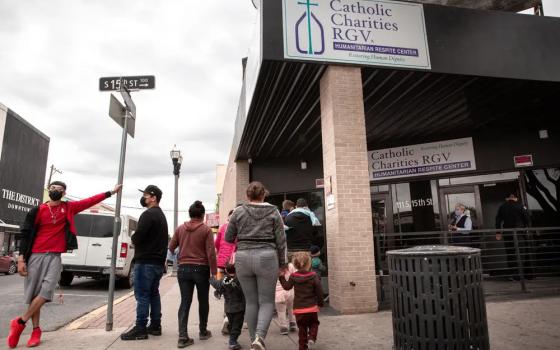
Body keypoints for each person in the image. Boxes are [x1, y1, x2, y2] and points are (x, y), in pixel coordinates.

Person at [8, 181, 121, 348]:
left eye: (59, 190)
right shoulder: (37, 210)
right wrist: (21, 259)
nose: (55, 191)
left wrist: (110, 192)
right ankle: (36, 331)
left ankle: (19, 322)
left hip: (54, 256)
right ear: (49, 190)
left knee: (46, 292)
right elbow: (25, 235)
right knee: (34, 295)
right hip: (35, 256)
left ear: (64, 193)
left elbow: (89, 201)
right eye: (53, 188)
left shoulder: (68, 208)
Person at [225, 181, 287, 350]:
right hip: (267, 257)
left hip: (243, 258)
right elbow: (281, 242)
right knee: (266, 302)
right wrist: (283, 264)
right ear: (263, 194)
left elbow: (229, 238)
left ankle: (254, 340)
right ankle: (259, 338)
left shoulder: (238, 212)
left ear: (247, 196)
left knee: (251, 302)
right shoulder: (274, 212)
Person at [121, 185, 168, 341]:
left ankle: (140, 328)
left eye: (146, 195)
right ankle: (155, 325)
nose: (144, 198)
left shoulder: (148, 215)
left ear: (153, 198)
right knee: (154, 294)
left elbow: (138, 236)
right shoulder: (161, 216)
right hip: (157, 263)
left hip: (145, 261)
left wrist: (134, 239)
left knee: (142, 295)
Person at [169, 200, 217, 348]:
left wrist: (182, 253)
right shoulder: (206, 230)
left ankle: (183, 336)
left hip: (183, 269)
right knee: (203, 301)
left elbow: (171, 248)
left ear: (190, 214)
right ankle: (203, 331)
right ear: (202, 215)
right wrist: (214, 272)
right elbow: (210, 253)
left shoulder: (180, 229)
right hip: (201, 269)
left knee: (185, 301)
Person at [279, 252, 324, 350]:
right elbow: (319, 291)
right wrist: (320, 303)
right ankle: (312, 337)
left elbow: (287, 287)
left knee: (302, 329)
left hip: (299, 309)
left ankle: (302, 347)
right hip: (311, 308)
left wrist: (281, 277)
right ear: (309, 263)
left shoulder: (293, 276)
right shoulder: (313, 275)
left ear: (295, 264)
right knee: (314, 323)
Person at [495, 193, 533, 280]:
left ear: (507, 198)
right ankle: (522, 275)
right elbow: (527, 218)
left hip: (508, 233)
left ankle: (514, 275)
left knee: (510, 253)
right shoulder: (520, 206)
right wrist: (528, 229)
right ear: (515, 198)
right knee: (521, 253)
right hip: (519, 233)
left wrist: (498, 232)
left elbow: (498, 220)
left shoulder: (502, 207)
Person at [210, 263, 245, 350]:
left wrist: (211, 278)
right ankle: (232, 342)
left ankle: (230, 329)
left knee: (232, 323)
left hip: (228, 308)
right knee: (237, 326)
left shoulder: (223, 280)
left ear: (226, 271)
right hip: (239, 308)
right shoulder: (240, 280)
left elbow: (216, 285)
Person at [214, 209, 236, 335]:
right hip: (234, 264)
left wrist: (221, 252)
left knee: (225, 287)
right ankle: (230, 318)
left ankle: (219, 289)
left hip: (222, 263)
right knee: (235, 291)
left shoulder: (222, 227)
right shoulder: (239, 227)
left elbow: (216, 243)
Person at [275, 263, 296, 335]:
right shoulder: (290, 265)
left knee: (281, 311)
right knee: (291, 308)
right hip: (290, 291)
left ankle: (284, 327)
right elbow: (295, 275)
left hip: (279, 293)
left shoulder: (272, 266)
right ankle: (292, 323)